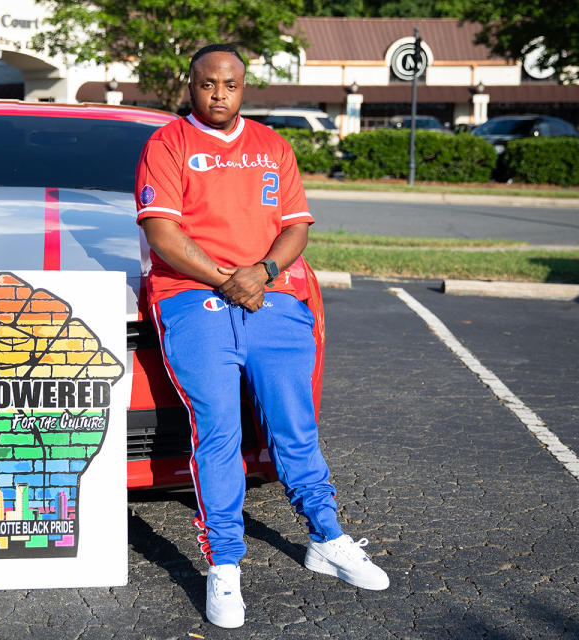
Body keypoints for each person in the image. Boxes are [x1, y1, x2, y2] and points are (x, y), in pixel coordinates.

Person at [134, 43, 389, 629]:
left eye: (229, 84)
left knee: (294, 427)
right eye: (206, 84)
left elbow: (295, 228)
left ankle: (326, 537)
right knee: (219, 432)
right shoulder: (167, 144)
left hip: (273, 298)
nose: (218, 93)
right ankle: (225, 565)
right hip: (194, 300)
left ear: (243, 87)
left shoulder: (273, 146)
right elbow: (163, 235)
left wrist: (264, 273)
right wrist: (231, 279)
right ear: (190, 85)